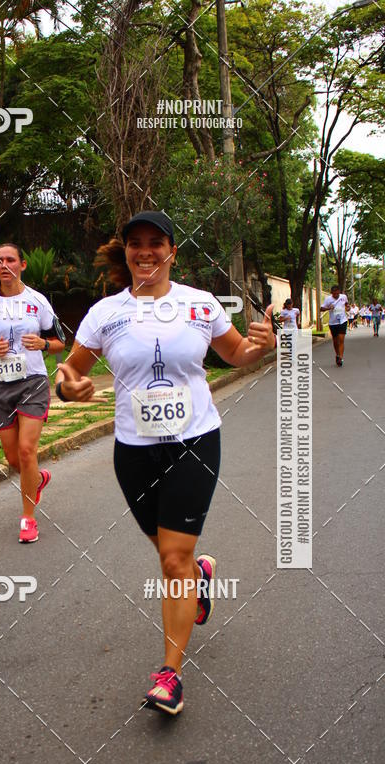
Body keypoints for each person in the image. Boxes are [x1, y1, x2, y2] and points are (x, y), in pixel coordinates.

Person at [55, 211, 275, 715]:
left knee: (172, 560)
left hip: (195, 440)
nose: (146, 252)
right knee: (169, 552)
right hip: (133, 450)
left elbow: (236, 353)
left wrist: (263, 348)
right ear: (126, 252)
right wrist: (69, 387)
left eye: (157, 243)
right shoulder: (105, 313)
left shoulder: (198, 304)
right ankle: (198, 575)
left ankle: (170, 674)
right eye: (136, 244)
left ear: (173, 251)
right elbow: (70, 371)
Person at [0, 244, 65, 543]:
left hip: (32, 381)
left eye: (10, 260)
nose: (4, 265)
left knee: (27, 451)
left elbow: (60, 341)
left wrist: (43, 345)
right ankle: (37, 479)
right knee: (14, 458)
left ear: (22, 265)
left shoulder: (37, 301)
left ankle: (28, 519)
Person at [321, 285, 349, 367]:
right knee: (335, 341)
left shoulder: (343, 297)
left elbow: (346, 303)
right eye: (334, 294)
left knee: (341, 339)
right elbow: (321, 309)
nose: (336, 295)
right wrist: (329, 308)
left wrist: (347, 307)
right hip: (333, 323)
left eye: (337, 293)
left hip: (342, 321)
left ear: (339, 292)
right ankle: (337, 354)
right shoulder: (328, 299)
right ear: (331, 293)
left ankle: (340, 357)